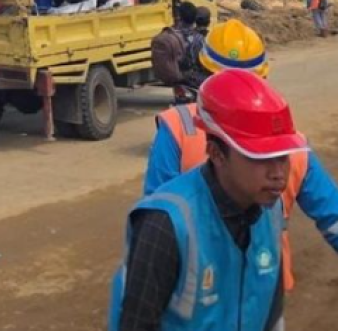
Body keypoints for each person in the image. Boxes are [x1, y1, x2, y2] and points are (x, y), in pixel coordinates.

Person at [145, 19, 338, 293]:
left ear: (203, 70)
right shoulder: (291, 143)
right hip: (264, 282)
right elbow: (333, 216)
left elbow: (155, 214)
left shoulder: (179, 127)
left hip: (200, 289)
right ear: (264, 79)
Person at [110, 69, 308, 330]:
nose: (279, 174)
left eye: (282, 156)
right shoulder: (165, 226)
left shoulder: (270, 211)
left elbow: (271, 316)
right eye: (260, 158)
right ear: (216, 153)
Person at [151, 2, 198, 87]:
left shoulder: (172, 34)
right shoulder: (199, 37)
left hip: (177, 77)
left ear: (179, 17)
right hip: (191, 78)